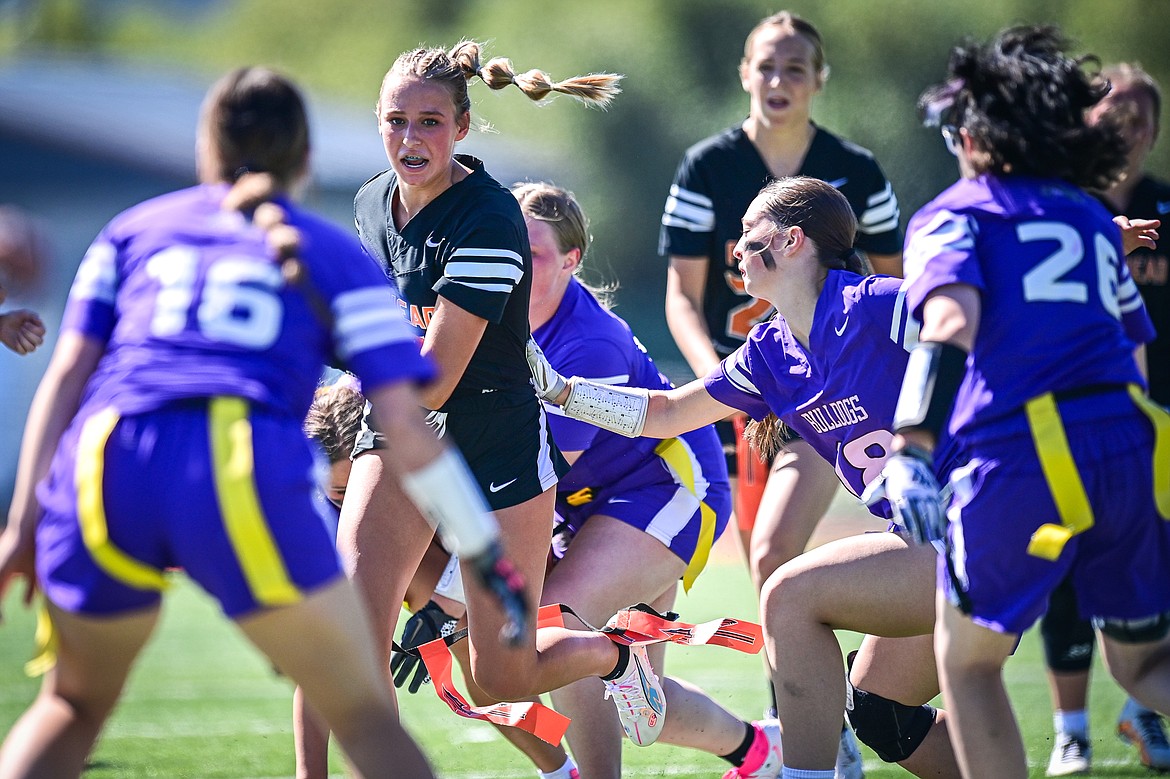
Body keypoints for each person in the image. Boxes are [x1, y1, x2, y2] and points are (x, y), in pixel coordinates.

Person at [0, 65, 541, 778]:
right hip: (231, 462)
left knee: (70, 705)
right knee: (361, 710)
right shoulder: (328, 251)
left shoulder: (133, 229)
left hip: (103, 459)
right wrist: (482, 551)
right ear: (305, 157)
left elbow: (68, 378)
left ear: (205, 149)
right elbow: (411, 423)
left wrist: (21, 522)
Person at [314, 38, 685, 766]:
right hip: (407, 432)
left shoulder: (488, 220)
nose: (410, 137)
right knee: (347, 639)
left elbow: (435, 376)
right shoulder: (370, 204)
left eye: (428, 121)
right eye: (396, 120)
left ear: (461, 126)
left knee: (499, 676)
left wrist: (316, 345)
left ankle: (612, 658)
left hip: (497, 452)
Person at [873, 25, 1170, 779]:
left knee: (967, 662)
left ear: (975, 135)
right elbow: (1128, 342)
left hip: (1026, 450)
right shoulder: (1085, 218)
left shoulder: (955, 212)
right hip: (1130, 446)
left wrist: (911, 449)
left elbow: (949, 325)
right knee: (1143, 665)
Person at [659, 15, 901, 769]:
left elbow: (916, 291)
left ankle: (811, 732)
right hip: (781, 384)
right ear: (743, 72)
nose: (779, 81)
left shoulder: (854, 177)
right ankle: (807, 713)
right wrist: (732, 386)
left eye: (795, 67)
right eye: (767, 66)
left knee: (796, 581)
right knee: (775, 559)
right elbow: (679, 304)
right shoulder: (707, 166)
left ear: (818, 79)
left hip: (870, 386)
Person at [510, 181, 789, 779]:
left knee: (556, 624)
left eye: (531, 254)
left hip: (665, 485)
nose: (515, 264)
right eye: (507, 247)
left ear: (570, 260)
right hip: (591, 503)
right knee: (644, 710)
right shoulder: (485, 312)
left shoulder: (588, 342)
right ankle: (760, 752)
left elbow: (543, 473)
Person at [1037, 60, 1170, 777]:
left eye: (1142, 116)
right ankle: (1072, 728)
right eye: (1114, 113)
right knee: (1069, 561)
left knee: (1148, 571)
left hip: (1161, 425)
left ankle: (1140, 701)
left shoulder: (1166, 208)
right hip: (1077, 422)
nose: (1128, 128)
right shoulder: (1058, 211)